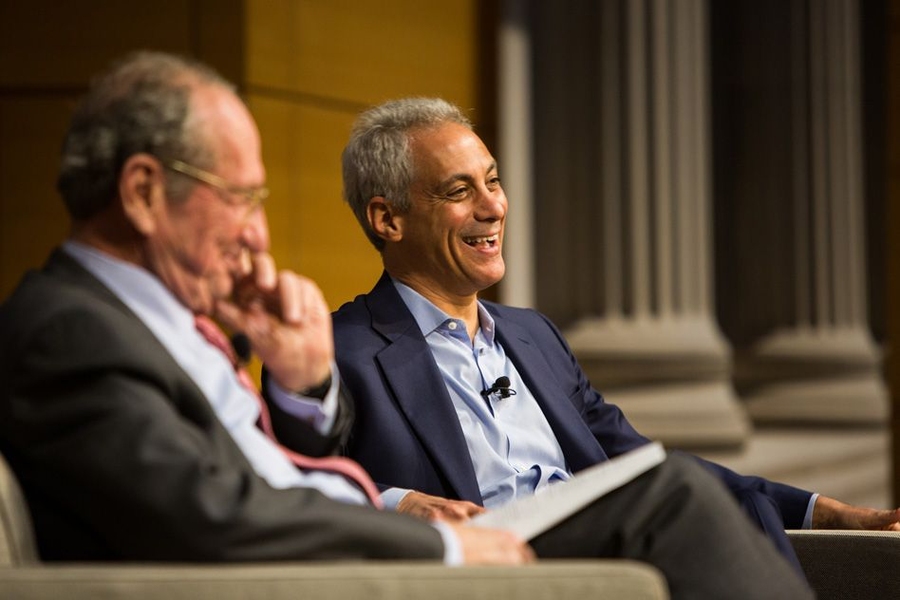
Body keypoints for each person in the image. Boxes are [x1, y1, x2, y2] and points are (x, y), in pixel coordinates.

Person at [332, 97, 899, 595]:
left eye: (493, 180)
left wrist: (827, 512)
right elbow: (291, 483)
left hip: (591, 544)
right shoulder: (341, 348)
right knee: (678, 493)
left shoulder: (534, 335)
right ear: (388, 219)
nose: (494, 207)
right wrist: (399, 501)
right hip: (490, 557)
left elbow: (634, 459)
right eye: (460, 191)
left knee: (728, 499)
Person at [0, 52, 534, 566]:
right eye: (240, 197)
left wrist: (302, 381)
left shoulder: (161, 324)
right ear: (144, 193)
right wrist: (440, 547)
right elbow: (215, 515)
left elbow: (278, 473)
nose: (258, 235)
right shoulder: (66, 335)